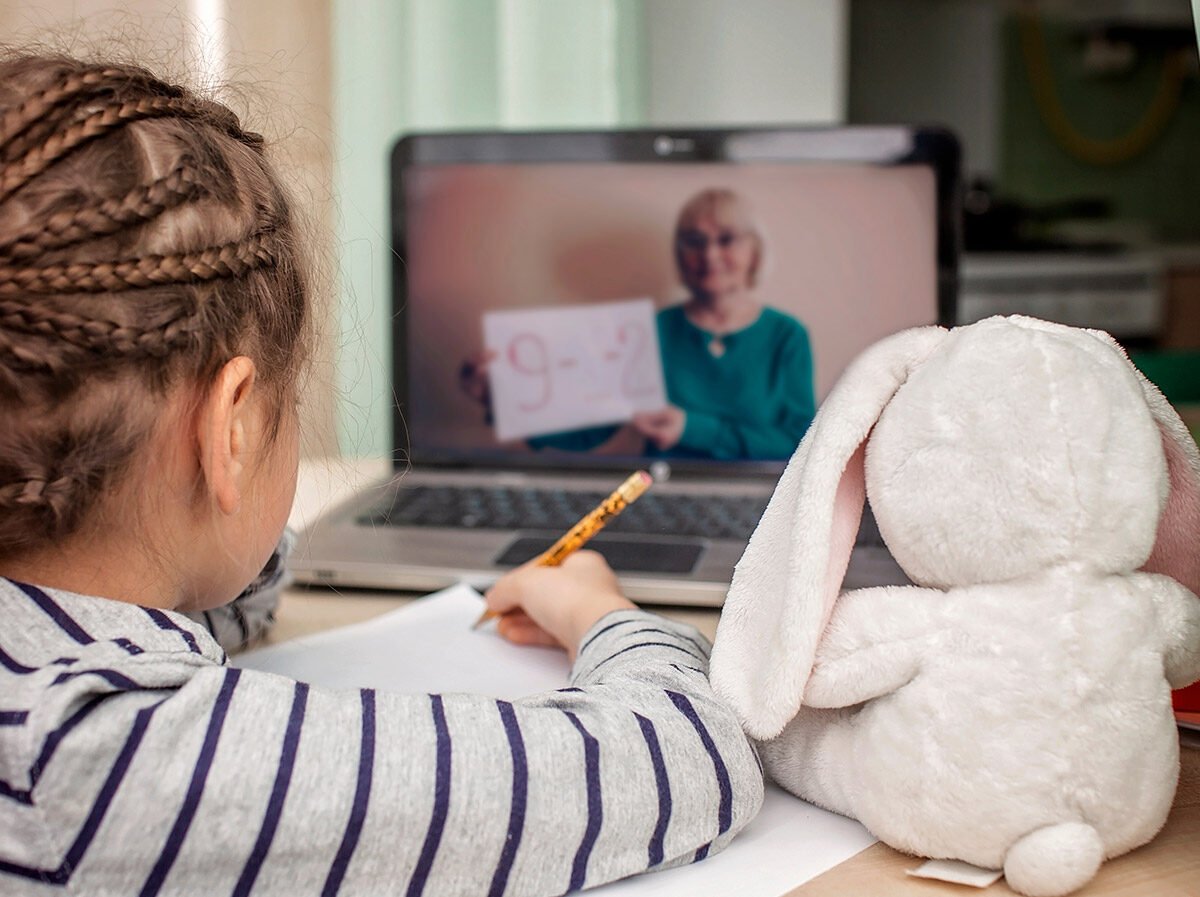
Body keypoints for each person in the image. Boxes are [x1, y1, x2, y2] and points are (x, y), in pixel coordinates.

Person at [0, 55, 762, 896]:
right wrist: (596, 608)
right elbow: (693, 751)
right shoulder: (114, 761)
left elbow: (230, 598)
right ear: (235, 428)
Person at [461, 188, 816, 461]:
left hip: (762, 500)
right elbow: (592, 428)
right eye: (694, 241)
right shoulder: (647, 331)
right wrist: (506, 398)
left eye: (726, 239)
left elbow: (799, 444)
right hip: (658, 493)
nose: (709, 255)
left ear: (755, 251)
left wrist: (691, 429)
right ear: (680, 253)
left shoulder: (786, 335)